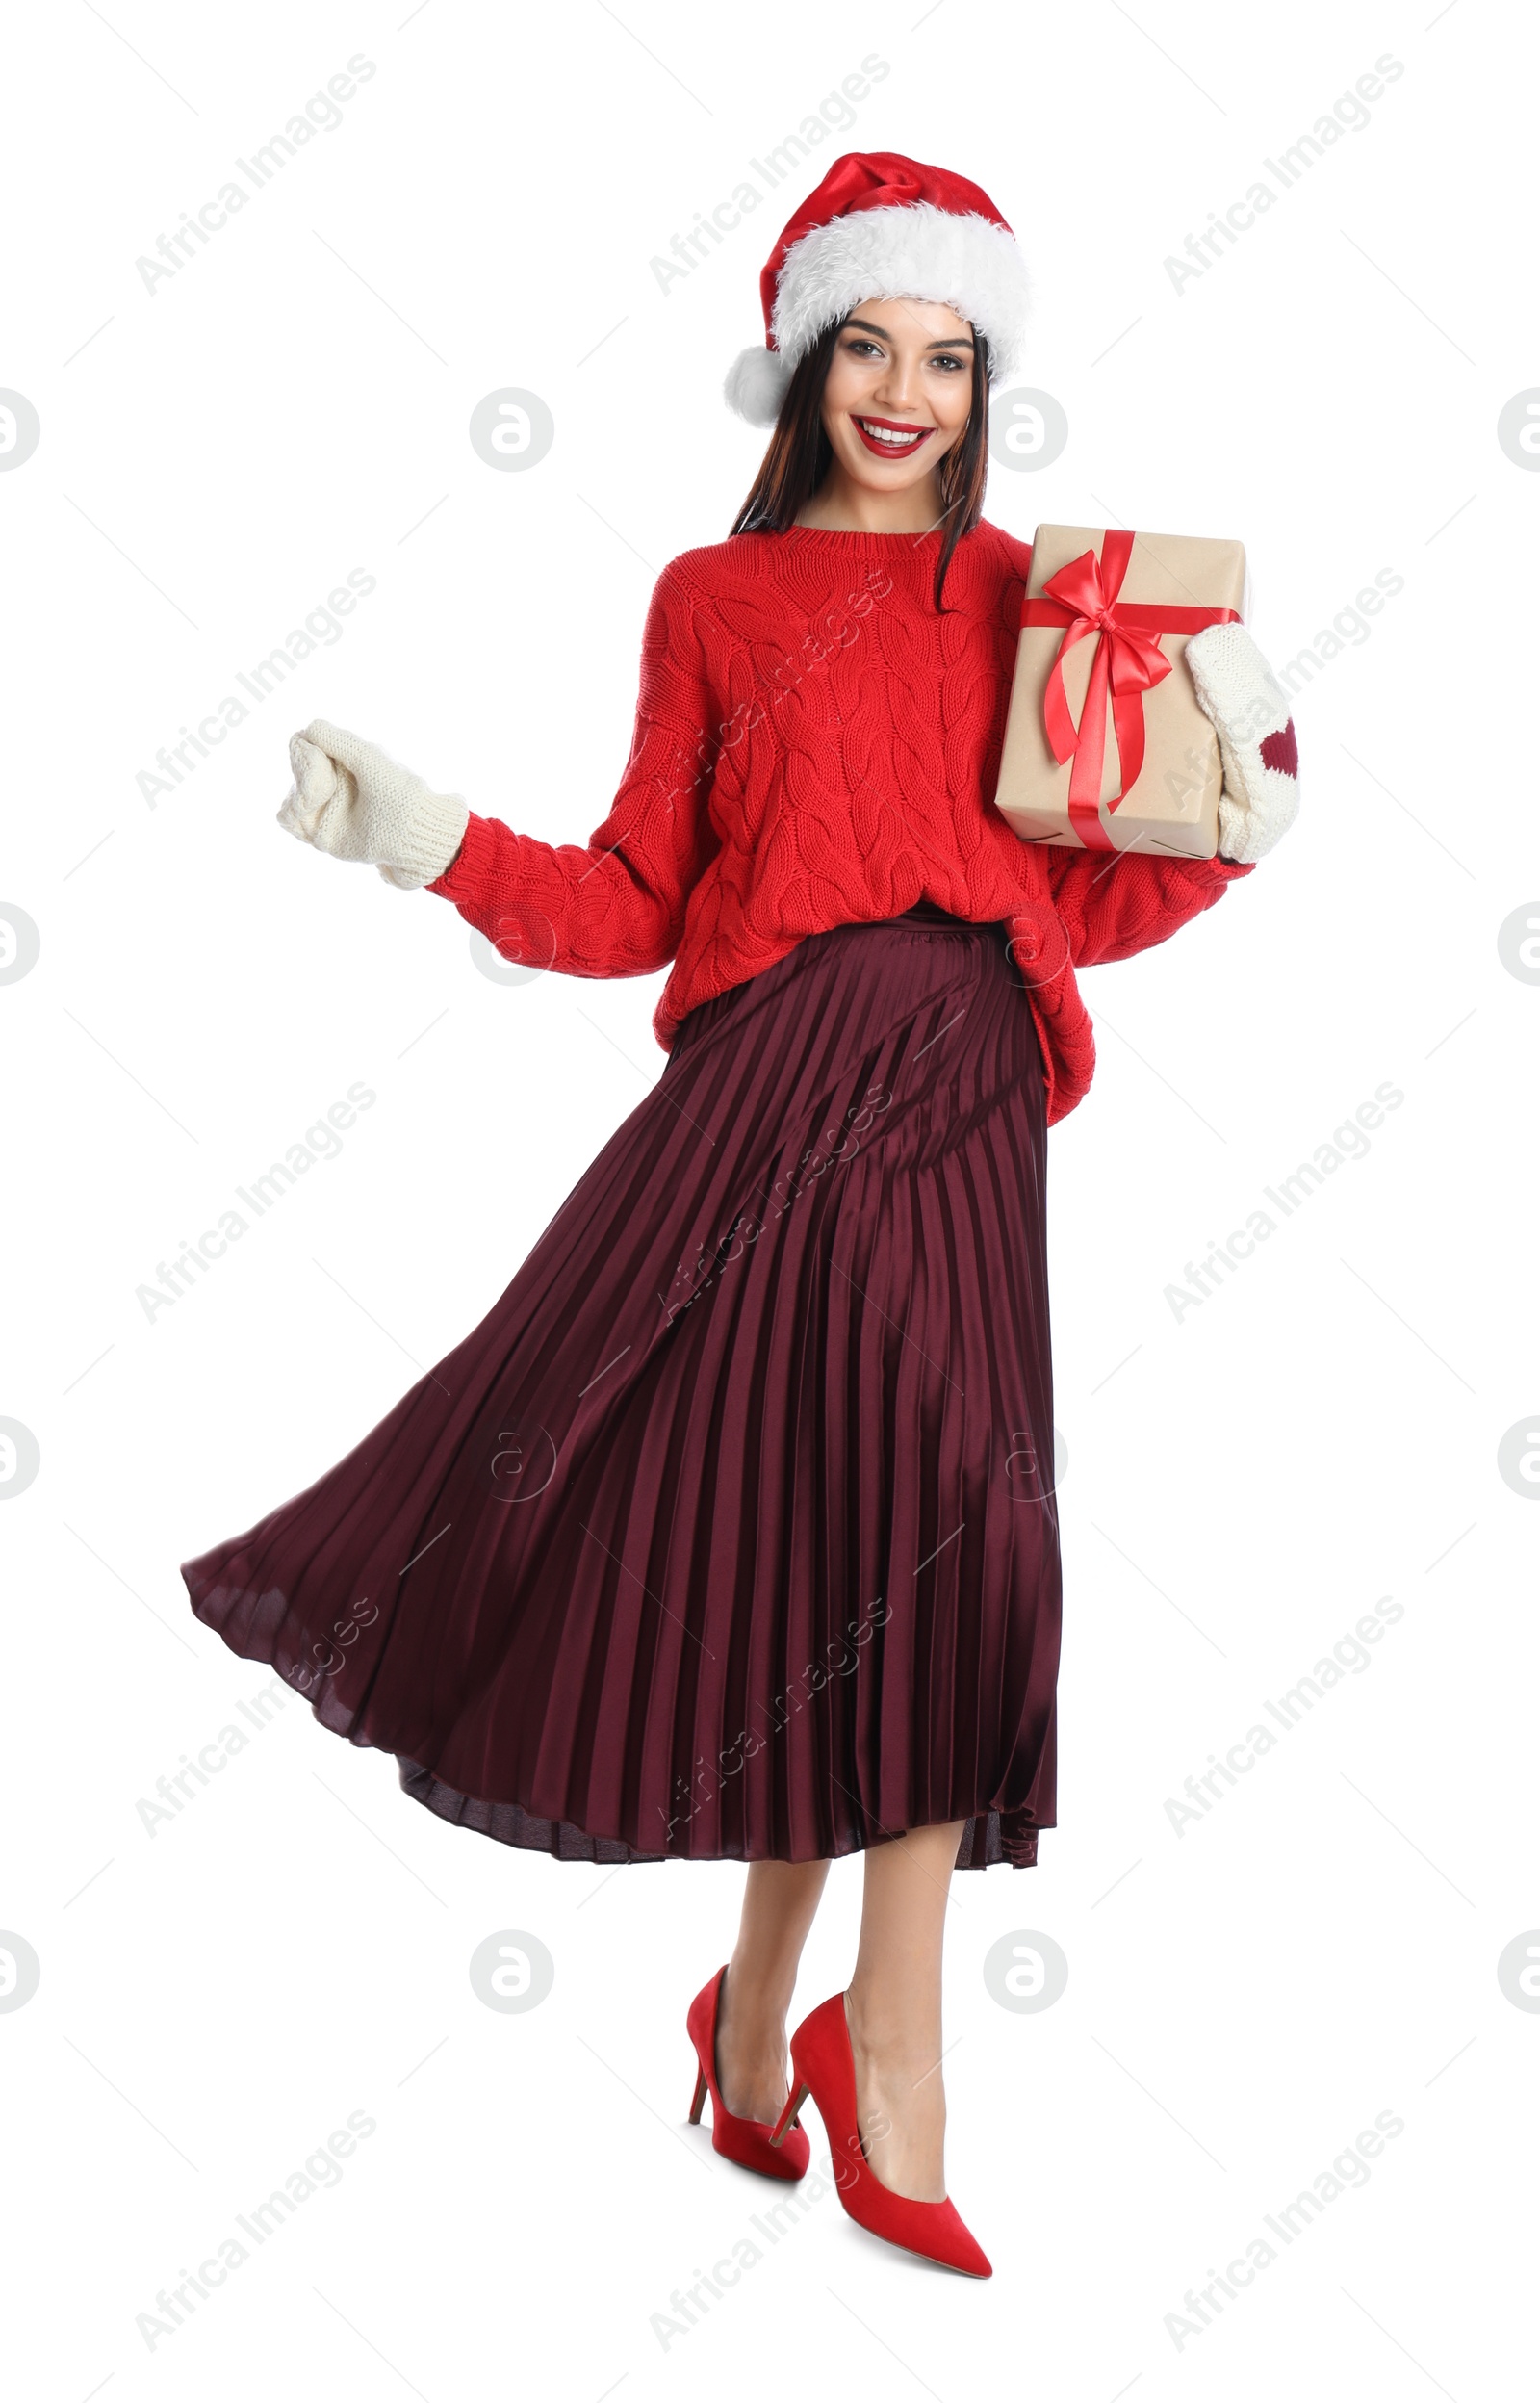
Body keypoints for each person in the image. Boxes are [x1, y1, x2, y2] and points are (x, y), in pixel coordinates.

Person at [181, 150, 1298, 2279]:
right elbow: (630, 902)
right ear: (801, 363)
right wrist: (430, 844)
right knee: (877, 1544)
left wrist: (1239, 800)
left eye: (948, 356)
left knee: (921, 1552)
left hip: (971, 1095)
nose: (906, 390)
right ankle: (895, 2083)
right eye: (868, 344)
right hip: (781, 1097)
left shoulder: (1033, 596)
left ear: (988, 386)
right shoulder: (714, 599)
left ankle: (765, 2040)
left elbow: (1076, 892)